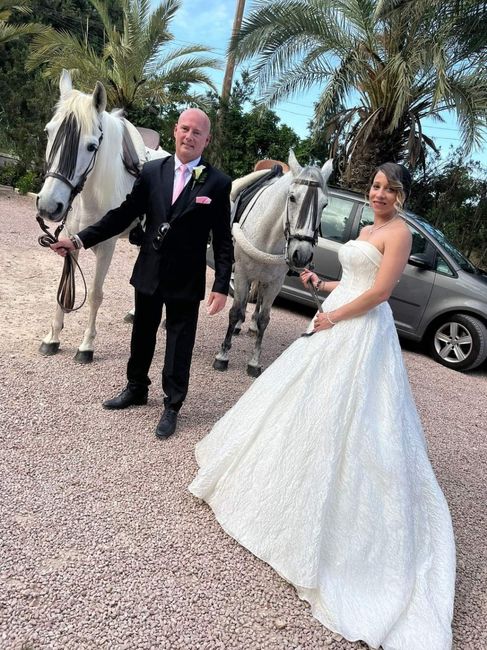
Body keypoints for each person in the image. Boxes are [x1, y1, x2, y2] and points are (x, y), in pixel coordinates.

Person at [188, 163, 456, 649]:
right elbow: (355, 279)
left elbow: (379, 293)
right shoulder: (370, 228)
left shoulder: (399, 235)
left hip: (360, 333)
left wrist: (333, 316)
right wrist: (320, 284)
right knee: (296, 401)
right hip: (337, 315)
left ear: (401, 195)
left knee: (354, 419)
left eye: (388, 189)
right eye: (375, 186)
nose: (379, 194)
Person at [51, 108, 233, 439]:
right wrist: (78, 238)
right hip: (149, 270)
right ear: (175, 131)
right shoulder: (151, 172)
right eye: (185, 129)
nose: (189, 136)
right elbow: (122, 215)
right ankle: (136, 388)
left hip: (186, 278)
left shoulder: (218, 183)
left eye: (197, 133)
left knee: (180, 344)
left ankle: (172, 406)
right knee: (142, 335)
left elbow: (222, 240)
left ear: (206, 140)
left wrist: (221, 284)